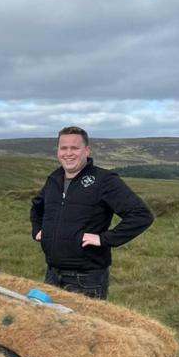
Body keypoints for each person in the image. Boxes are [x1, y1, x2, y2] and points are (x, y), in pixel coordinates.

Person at [29, 126, 153, 300]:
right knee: (54, 326)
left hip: (86, 279)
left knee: (86, 327)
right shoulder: (54, 180)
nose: (68, 153)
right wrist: (38, 230)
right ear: (58, 151)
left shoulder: (104, 180)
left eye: (75, 148)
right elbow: (37, 207)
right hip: (52, 273)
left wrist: (103, 239)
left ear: (86, 150)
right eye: (64, 148)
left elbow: (141, 215)